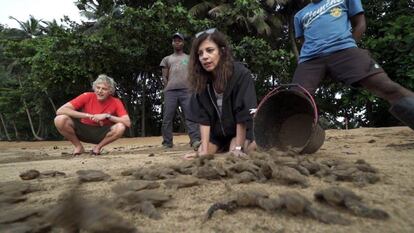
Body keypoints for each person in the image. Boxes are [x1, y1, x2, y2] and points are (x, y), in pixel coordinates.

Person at [293, 0, 414, 129]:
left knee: (387, 87)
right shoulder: (299, 15)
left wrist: (350, 47)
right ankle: (291, 143)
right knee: (294, 100)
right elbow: (303, 41)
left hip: (344, 50)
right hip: (310, 60)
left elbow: (360, 24)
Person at [185, 28, 257, 159]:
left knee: (239, 153)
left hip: (240, 131)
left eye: (210, 50)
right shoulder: (202, 81)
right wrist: (204, 151)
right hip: (218, 134)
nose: (204, 57)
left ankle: (244, 144)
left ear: (222, 51)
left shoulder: (241, 74)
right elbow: (204, 117)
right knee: (201, 153)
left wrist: (238, 148)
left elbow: (242, 113)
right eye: (200, 53)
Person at [54, 74, 131, 155]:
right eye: (98, 88)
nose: (100, 91)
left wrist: (107, 116)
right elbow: (60, 110)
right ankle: (78, 147)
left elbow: (127, 122)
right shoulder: (86, 96)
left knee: (120, 127)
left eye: (104, 89)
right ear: (94, 88)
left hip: (102, 134)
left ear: (110, 91)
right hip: (83, 131)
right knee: (59, 119)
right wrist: (88, 115)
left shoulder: (116, 101)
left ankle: (97, 148)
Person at [160, 32, 201, 149]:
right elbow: (164, 76)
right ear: (172, 43)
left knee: (191, 116)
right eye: (175, 40)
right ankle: (167, 142)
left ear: (183, 43)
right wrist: (167, 87)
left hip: (187, 91)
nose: (177, 42)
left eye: (179, 40)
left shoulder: (189, 58)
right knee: (167, 117)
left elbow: (194, 74)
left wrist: (193, 87)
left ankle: (195, 140)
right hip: (171, 92)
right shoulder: (167, 59)